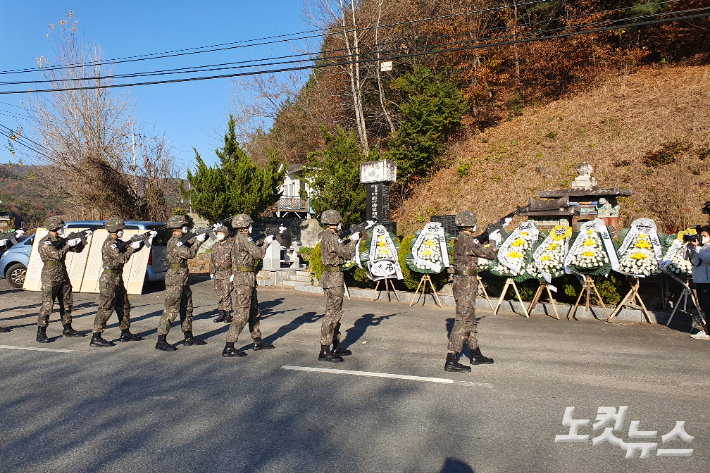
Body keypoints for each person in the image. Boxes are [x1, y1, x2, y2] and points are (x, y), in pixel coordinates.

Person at [445, 210, 498, 372]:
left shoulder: (462, 239)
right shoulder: (468, 241)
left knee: (470, 319)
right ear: (470, 224)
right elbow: (490, 255)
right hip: (466, 284)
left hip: (464, 282)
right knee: (463, 321)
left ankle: (476, 354)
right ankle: (451, 359)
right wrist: (494, 240)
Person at [90, 218, 152, 347]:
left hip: (117, 278)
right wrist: (131, 249)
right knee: (106, 307)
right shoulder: (110, 245)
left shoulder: (117, 242)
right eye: (120, 230)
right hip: (109, 279)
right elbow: (122, 258)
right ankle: (96, 336)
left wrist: (140, 242)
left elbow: (129, 248)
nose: (122, 232)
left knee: (124, 306)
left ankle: (125, 332)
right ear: (113, 230)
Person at [222, 214, 275, 357]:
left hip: (248, 278)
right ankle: (229, 345)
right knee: (242, 313)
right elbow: (259, 254)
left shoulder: (241, 238)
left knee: (253, 311)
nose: (251, 226)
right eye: (249, 224)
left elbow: (251, 252)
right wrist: (266, 243)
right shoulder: (244, 238)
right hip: (244, 279)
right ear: (245, 226)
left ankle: (257, 340)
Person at [155, 214, 208, 351]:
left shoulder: (181, 240)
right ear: (178, 227)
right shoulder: (174, 242)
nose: (186, 227)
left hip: (183, 277)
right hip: (175, 278)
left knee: (187, 307)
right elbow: (189, 253)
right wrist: (199, 241)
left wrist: (203, 235)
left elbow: (190, 243)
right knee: (172, 308)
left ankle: (188, 336)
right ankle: (161, 339)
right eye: (184, 225)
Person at [317, 210, 362, 363]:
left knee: (336, 313)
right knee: (332, 314)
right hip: (334, 279)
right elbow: (348, 254)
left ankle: (336, 345)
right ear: (336, 221)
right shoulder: (333, 238)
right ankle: (324, 350)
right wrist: (354, 240)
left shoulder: (327, 236)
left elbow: (340, 250)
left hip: (331, 278)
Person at [36, 216, 89, 343]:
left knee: (66, 303)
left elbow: (77, 250)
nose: (62, 229)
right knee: (48, 305)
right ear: (53, 227)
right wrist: (67, 245)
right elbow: (57, 255)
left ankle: (67, 328)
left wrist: (83, 239)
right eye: (60, 227)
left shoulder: (61, 240)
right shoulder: (45, 242)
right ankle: (41, 332)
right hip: (50, 276)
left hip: (62, 275)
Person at [686, 226, 710, 340]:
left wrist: (698, 247)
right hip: (698, 279)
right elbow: (688, 258)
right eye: (702, 236)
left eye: (705, 236)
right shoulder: (699, 247)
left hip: (707, 280)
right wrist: (688, 247)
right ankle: (707, 329)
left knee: (707, 305)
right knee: (702, 305)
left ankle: (708, 331)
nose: (702, 238)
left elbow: (707, 259)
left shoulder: (708, 247)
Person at [210, 224, 234, 324]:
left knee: (226, 294)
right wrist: (211, 272)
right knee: (219, 294)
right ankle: (221, 313)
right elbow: (212, 260)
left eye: (221, 233)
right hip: (217, 273)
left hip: (227, 273)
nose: (219, 235)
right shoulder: (214, 246)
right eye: (218, 233)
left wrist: (233, 273)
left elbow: (234, 261)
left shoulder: (230, 246)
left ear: (226, 234)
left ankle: (228, 314)